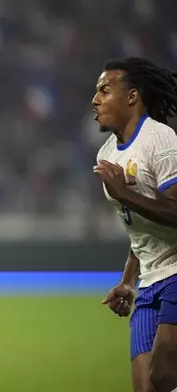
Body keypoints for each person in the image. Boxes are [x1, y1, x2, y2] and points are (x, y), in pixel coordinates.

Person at [93, 57, 177, 392]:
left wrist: (125, 195)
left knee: (163, 373)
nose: (95, 99)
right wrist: (128, 281)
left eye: (104, 90)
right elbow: (140, 231)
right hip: (148, 282)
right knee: (146, 388)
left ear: (131, 97)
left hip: (175, 270)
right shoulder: (107, 154)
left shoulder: (160, 139)